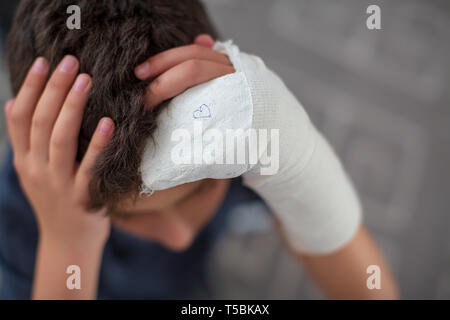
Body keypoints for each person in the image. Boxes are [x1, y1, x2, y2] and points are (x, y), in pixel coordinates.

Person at [1, 0, 398, 299]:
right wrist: (67, 243)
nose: (179, 237)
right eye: (124, 217)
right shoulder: (15, 230)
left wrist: (294, 152)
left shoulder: (232, 127)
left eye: (201, 189)